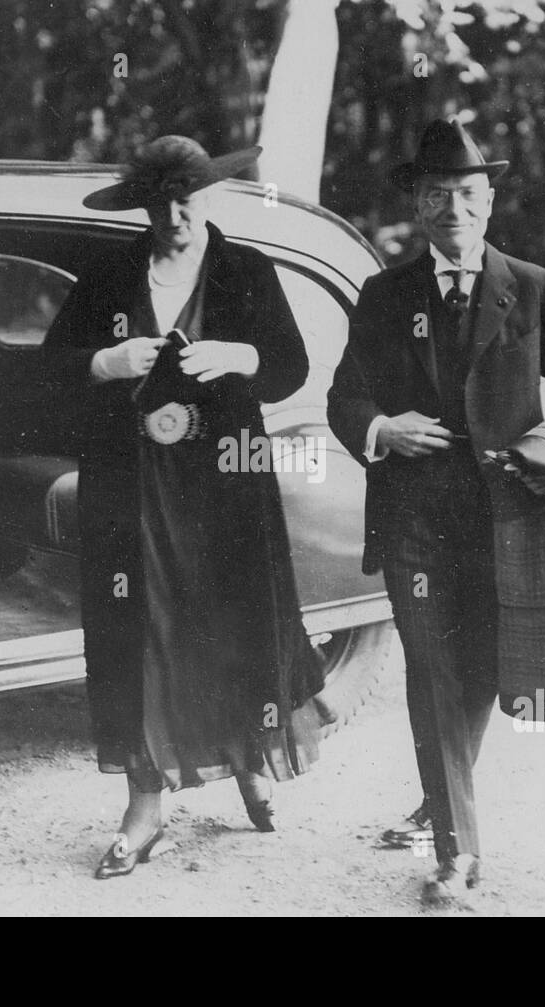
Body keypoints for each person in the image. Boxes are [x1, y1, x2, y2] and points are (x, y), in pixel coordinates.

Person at [328, 117, 545, 904]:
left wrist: (543, 447)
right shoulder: (384, 296)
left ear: (488, 201)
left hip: (508, 517)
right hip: (415, 520)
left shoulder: (537, 286)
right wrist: (385, 428)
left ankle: (438, 801)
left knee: (481, 668)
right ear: (418, 206)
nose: (451, 207)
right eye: (435, 194)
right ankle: (458, 851)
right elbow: (344, 398)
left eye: (466, 193)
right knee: (433, 670)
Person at [45, 136, 324, 878]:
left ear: (213, 195)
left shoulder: (245, 270)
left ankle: (248, 762)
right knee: (141, 633)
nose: (178, 214)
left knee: (228, 621)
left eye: (191, 197)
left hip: (225, 486)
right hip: (129, 486)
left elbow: (290, 364)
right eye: (164, 200)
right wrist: (106, 362)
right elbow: (47, 372)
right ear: (145, 205)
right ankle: (144, 809)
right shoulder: (108, 274)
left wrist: (237, 356)